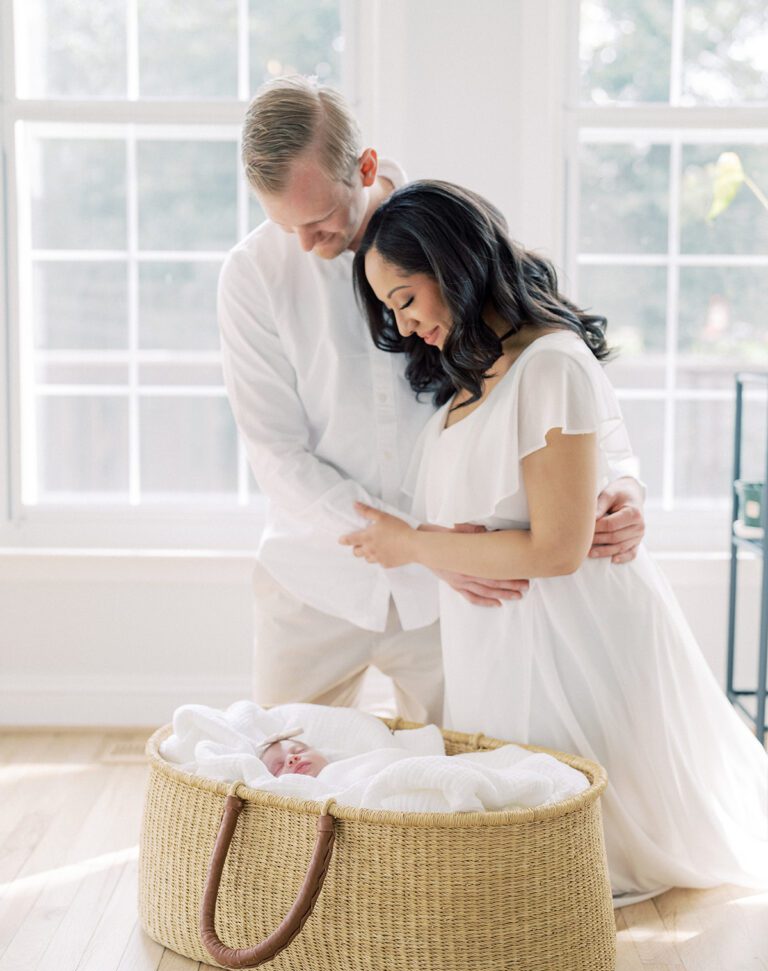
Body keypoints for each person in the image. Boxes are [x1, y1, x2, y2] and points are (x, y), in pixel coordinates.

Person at [343, 179, 768, 904]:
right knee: (521, 844)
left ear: (452, 265)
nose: (406, 326)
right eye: (392, 311)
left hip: (571, 637)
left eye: (407, 300)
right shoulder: (477, 372)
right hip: (507, 641)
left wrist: (412, 546)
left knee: (568, 856)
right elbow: (577, 477)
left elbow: (557, 550)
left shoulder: (550, 363)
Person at [218, 75, 646, 727]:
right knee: (279, 779)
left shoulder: (452, 234)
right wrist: (414, 543)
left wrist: (622, 481)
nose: (306, 243)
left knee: (462, 794)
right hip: (317, 580)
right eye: (285, 226)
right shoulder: (253, 273)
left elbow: (548, 361)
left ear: (364, 167)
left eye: (318, 219)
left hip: (466, 594)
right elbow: (276, 452)